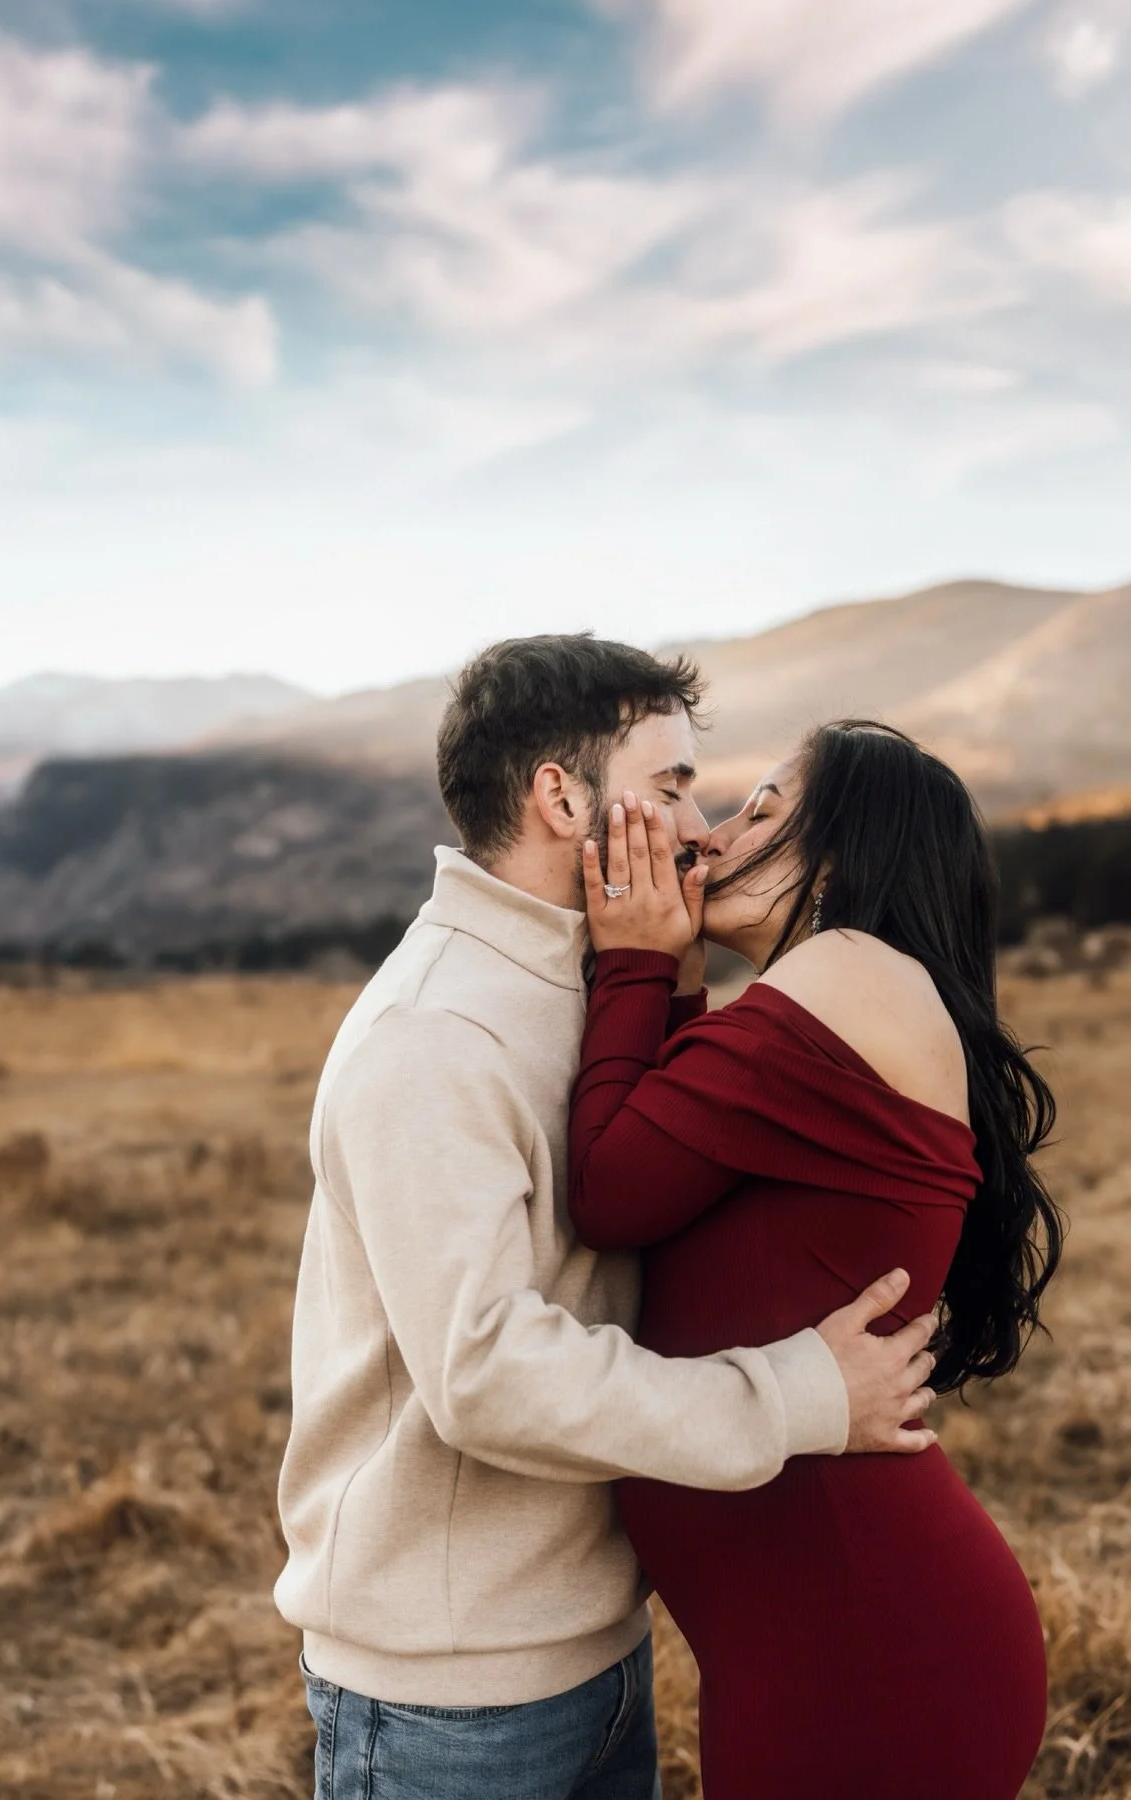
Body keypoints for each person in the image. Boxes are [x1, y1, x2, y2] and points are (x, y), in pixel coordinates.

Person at [274, 640, 945, 1800]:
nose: (698, 828)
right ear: (562, 797)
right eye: (672, 786)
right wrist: (794, 1396)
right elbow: (485, 1370)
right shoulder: (436, 1033)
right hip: (449, 1700)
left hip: (601, 1654)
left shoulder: (595, 982)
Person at [568, 719, 1062, 1800]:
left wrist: (639, 962)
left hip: (865, 1652)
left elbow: (608, 1190)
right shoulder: (850, 999)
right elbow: (665, 1168)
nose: (713, 835)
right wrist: (677, 978)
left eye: (764, 811)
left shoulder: (846, 970)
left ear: (840, 858)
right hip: (830, 1639)